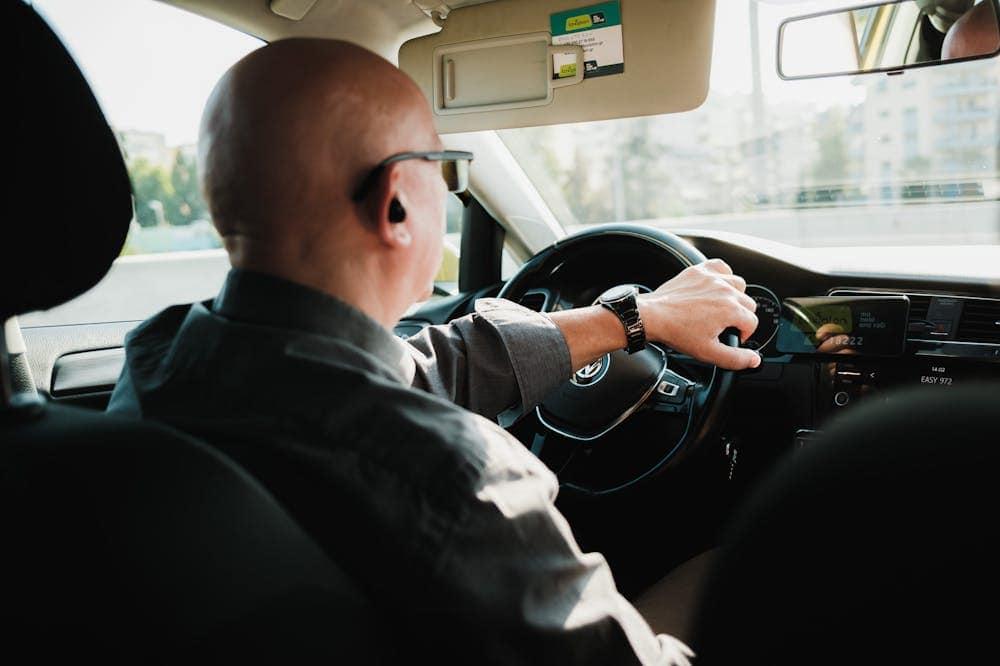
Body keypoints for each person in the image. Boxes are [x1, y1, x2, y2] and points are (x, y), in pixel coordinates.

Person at [107, 38, 759, 664]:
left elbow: (394, 375)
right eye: (446, 172)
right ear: (396, 203)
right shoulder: (451, 479)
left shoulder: (157, 363)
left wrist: (633, 317)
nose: (448, 195)